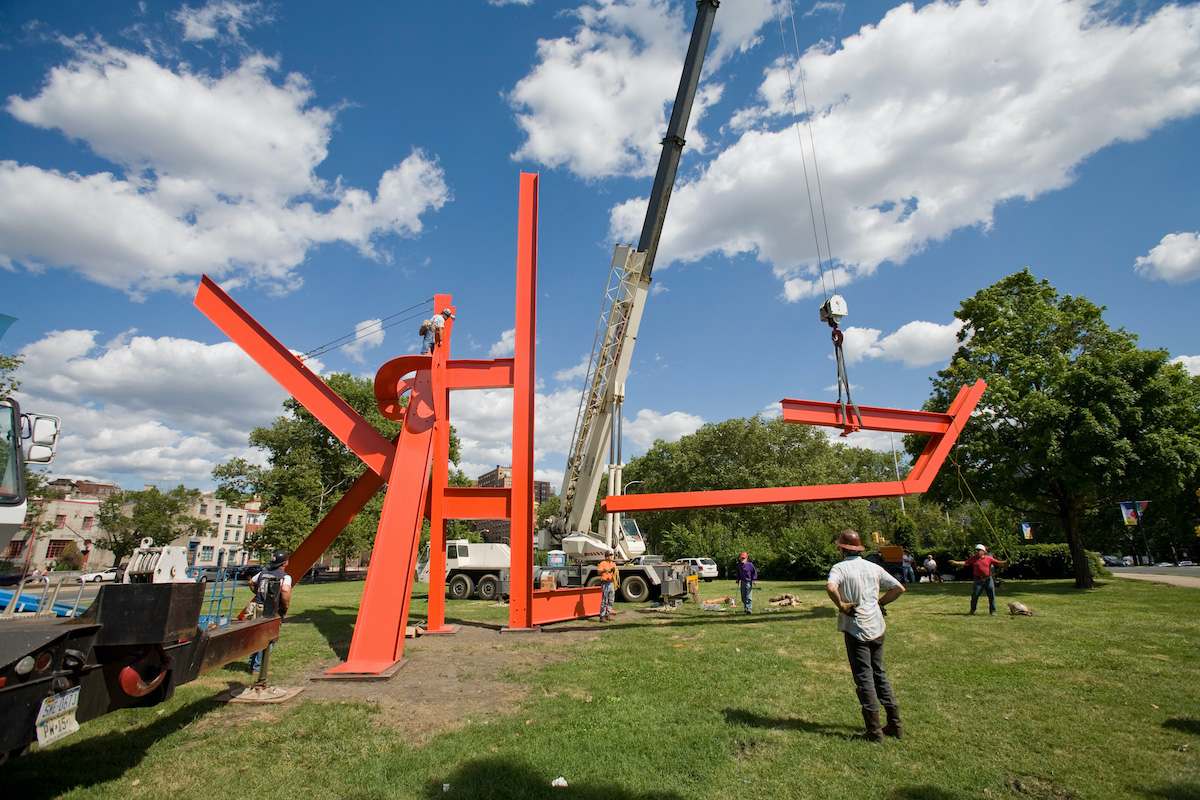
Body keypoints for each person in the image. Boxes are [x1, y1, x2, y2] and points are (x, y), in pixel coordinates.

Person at [826, 529, 906, 742]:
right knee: (879, 674)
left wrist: (841, 605)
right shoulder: (874, 567)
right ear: (859, 548)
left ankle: (874, 732)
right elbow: (898, 588)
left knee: (864, 678)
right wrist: (880, 603)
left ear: (842, 549)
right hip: (877, 626)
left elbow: (830, 587)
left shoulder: (840, 568)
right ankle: (895, 726)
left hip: (855, 628)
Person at [248, 550, 293, 673]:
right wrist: (285, 606)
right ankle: (259, 667)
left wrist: (257, 592)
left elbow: (251, 582)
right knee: (269, 638)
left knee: (256, 636)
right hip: (271, 610)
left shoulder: (263, 573)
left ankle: (252, 664)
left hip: (258, 607)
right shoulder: (284, 577)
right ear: (285, 563)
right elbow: (285, 590)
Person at [951, 544, 1009, 615]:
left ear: (983, 551)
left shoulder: (989, 558)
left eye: (978, 550)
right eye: (976, 550)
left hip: (988, 579)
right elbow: (966, 563)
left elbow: (999, 563)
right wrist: (956, 562)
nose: (976, 552)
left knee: (991, 595)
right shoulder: (973, 558)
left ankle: (993, 611)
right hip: (978, 579)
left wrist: (1006, 562)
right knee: (975, 594)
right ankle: (972, 609)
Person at [597, 549, 618, 622]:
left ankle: (607, 614)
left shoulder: (613, 564)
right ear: (606, 557)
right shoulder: (603, 563)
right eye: (610, 555)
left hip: (611, 582)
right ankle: (602, 616)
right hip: (605, 583)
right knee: (604, 600)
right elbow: (599, 572)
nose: (612, 557)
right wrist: (604, 570)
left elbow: (615, 571)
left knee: (611, 599)